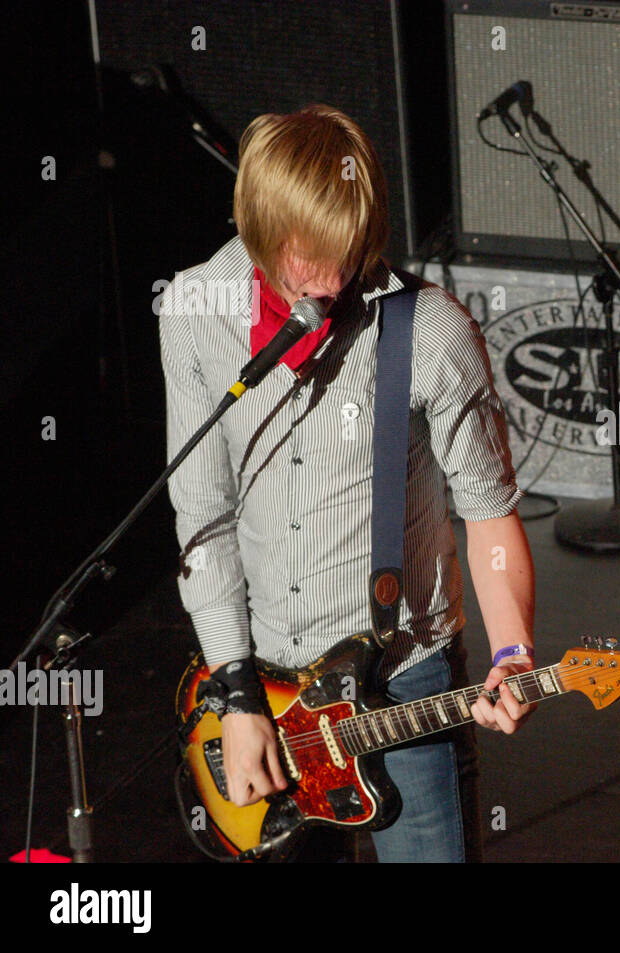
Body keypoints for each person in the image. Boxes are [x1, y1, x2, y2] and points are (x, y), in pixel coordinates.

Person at [160, 104, 536, 862]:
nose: (330, 281)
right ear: (261, 233)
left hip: (403, 673)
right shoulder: (196, 311)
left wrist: (513, 652)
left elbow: (489, 516)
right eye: (306, 258)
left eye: (348, 253)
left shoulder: (432, 332)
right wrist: (235, 696)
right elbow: (203, 516)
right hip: (261, 684)